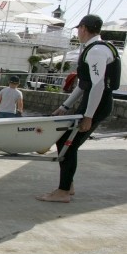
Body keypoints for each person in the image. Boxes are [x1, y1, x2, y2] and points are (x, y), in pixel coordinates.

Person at [37, 14, 120, 203]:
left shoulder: (96, 51)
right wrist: (64, 107)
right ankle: (67, 185)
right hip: (95, 103)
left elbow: (98, 85)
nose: (78, 32)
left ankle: (64, 191)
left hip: (97, 104)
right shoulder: (98, 48)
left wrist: (88, 116)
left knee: (67, 142)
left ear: (83, 28)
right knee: (68, 143)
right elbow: (83, 85)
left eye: (78, 29)